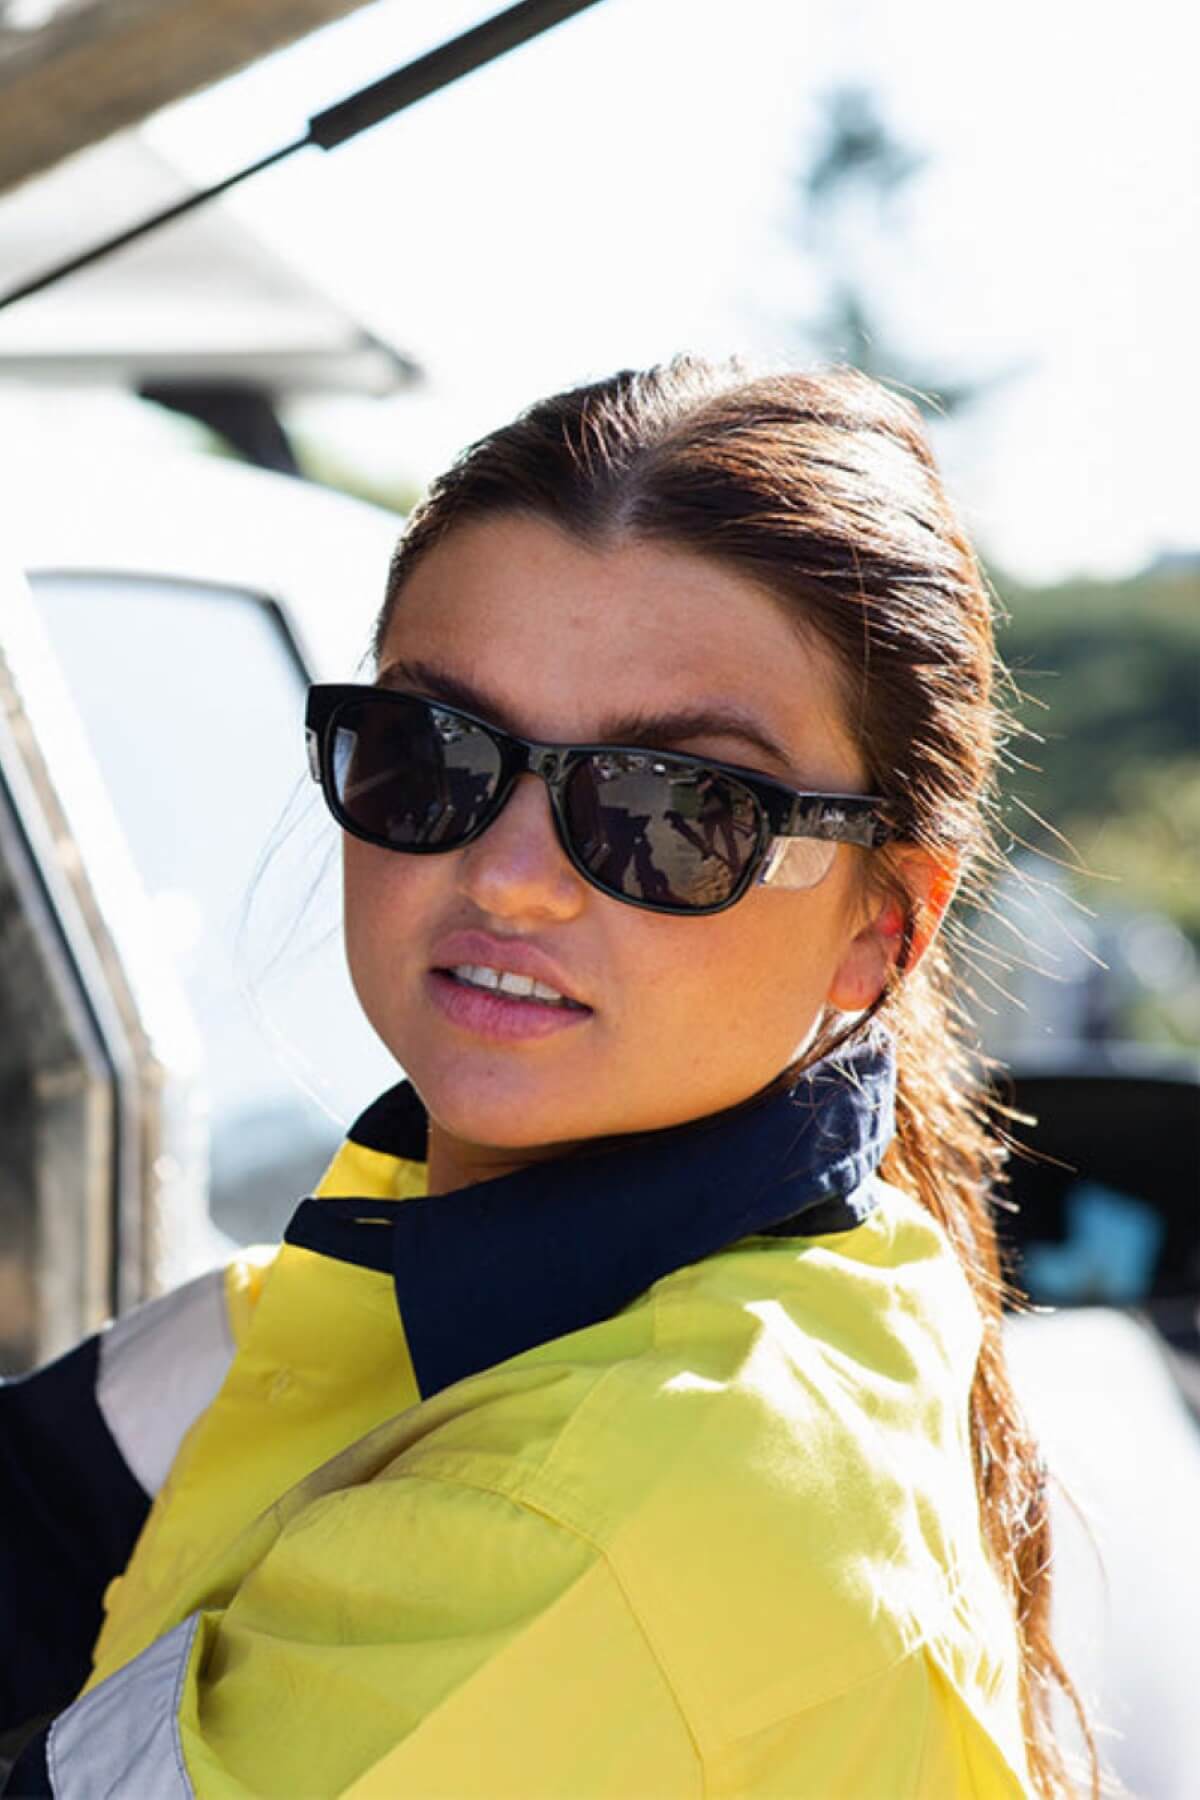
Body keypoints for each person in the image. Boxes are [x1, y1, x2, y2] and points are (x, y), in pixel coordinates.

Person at [1, 358, 1092, 1797]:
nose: (510, 877)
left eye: (676, 807)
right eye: (434, 752)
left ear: (885, 925)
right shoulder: (406, 1287)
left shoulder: (627, 1494)